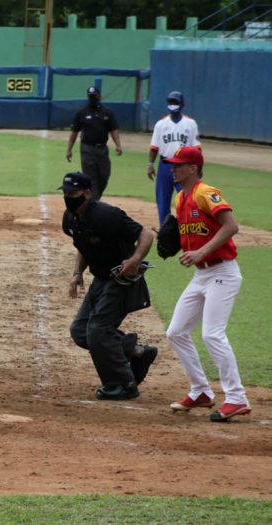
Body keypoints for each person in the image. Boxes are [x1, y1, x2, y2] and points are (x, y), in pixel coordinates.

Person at [162, 146, 252, 422]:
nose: (173, 169)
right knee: (176, 331)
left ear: (193, 168)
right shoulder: (180, 197)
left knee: (212, 334)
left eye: (178, 165)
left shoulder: (205, 192)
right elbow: (184, 231)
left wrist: (201, 252)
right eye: (172, 165)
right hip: (201, 276)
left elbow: (231, 226)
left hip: (222, 273)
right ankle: (201, 391)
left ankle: (236, 398)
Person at [62, 172, 159, 401]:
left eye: (73, 193)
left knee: (98, 332)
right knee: (80, 331)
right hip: (100, 280)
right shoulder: (71, 218)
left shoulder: (107, 215)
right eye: (65, 193)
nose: (68, 197)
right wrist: (77, 273)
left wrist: (134, 260)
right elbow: (83, 245)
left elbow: (145, 234)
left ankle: (123, 385)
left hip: (121, 281)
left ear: (87, 193)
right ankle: (137, 352)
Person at [149, 91, 201, 225]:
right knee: (163, 200)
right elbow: (154, 147)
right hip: (165, 164)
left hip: (184, 166)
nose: (173, 105)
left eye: (175, 102)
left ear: (182, 104)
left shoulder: (191, 123)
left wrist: (197, 168)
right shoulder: (160, 124)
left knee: (187, 197)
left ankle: (188, 224)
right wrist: (150, 164)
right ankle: (165, 230)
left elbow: (196, 148)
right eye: (171, 102)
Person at [65, 86, 123, 200]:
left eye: (94, 96)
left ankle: (95, 199)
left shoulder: (107, 113)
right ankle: (94, 203)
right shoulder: (81, 113)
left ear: (99, 96)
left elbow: (113, 130)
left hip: (102, 149)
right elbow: (74, 132)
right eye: (90, 96)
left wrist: (118, 145)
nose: (93, 98)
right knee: (91, 178)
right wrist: (69, 149)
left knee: (104, 176)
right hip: (87, 149)